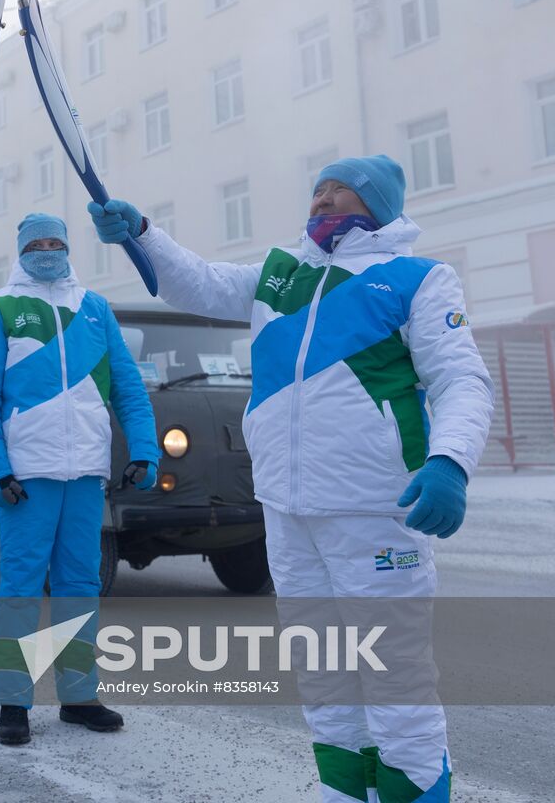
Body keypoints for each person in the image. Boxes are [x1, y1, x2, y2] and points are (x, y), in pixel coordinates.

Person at [88, 155, 494, 803]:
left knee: (392, 674)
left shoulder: (415, 279)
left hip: (373, 506)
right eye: (317, 189)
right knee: (324, 671)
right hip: (284, 505)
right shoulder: (280, 275)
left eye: (340, 189)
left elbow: (460, 377)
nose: (322, 198)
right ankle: (344, 794)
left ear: (378, 204)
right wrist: (141, 234)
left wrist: (449, 460)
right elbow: (197, 284)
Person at [0, 213, 159, 746]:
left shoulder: (95, 308)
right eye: (37, 244)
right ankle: (13, 700)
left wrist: (144, 450)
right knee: (21, 586)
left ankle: (78, 695)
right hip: (27, 476)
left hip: (85, 472)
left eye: (55, 243)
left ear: (68, 248)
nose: (47, 251)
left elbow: (128, 387)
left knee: (80, 585)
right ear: (22, 251)